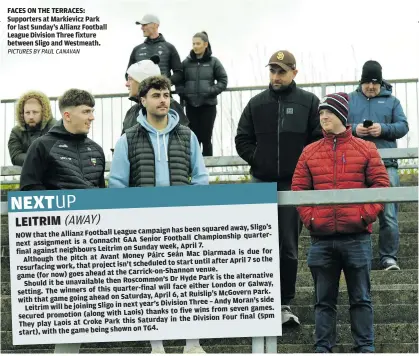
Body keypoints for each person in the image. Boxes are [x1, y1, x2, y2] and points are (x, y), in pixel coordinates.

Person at [109, 75, 208, 353]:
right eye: (156, 95)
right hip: (145, 225)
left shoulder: (188, 135)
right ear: (143, 100)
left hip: (183, 222)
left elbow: (200, 180)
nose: (163, 100)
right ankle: (157, 346)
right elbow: (117, 186)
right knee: (151, 288)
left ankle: (193, 344)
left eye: (166, 94)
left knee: (190, 283)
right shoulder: (127, 139)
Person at [291, 92, 390, 353]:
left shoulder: (366, 148)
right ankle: (323, 349)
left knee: (361, 299)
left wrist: (363, 215)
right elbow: (299, 189)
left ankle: (365, 349)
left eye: (329, 112)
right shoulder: (309, 152)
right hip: (321, 238)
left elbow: (381, 186)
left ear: (341, 116)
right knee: (323, 302)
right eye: (321, 112)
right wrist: (311, 218)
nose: (323, 116)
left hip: (357, 237)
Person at [235, 50, 322, 326]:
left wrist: (303, 170)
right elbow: (242, 139)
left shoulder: (309, 102)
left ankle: (283, 302)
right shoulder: (256, 103)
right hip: (261, 182)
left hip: (292, 184)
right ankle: (258, 301)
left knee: (287, 246)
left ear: (294, 73)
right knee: (256, 244)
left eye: (281, 71)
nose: (276, 76)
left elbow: (318, 139)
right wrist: (259, 159)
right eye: (272, 70)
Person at [347, 60, 409, 271]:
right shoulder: (349, 100)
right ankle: (357, 258)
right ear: (361, 82)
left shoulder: (393, 101)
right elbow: (336, 125)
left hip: (386, 165)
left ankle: (388, 258)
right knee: (355, 213)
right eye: (367, 83)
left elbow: (403, 126)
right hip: (356, 165)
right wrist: (355, 129)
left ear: (381, 82)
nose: (371, 87)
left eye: (375, 83)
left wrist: (382, 129)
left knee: (389, 214)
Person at [20, 88, 105, 192]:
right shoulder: (41, 146)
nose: (92, 117)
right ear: (67, 116)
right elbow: (29, 188)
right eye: (86, 112)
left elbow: (102, 195)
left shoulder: (97, 150)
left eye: (92, 112)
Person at [179, 31, 228, 156]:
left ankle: (207, 170)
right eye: (193, 43)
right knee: (193, 139)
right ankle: (194, 170)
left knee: (206, 138)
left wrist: (211, 91)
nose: (195, 46)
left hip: (208, 106)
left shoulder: (214, 62)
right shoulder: (186, 63)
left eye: (198, 43)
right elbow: (179, 80)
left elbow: (223, 80)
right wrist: (184, 93)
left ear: (205, 44)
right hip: (191, 106)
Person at [122, 56, 188, 135]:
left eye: (130, 79)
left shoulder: (169, 107)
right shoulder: (132, 111)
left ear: (141, 82)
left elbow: (184, 140)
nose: (127, 84)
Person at [8, 90, 56, 166]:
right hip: (29, 175)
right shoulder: (16, 132)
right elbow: (16, 157)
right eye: (27, 113)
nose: (31, 116)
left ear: (43, 112)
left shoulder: (54, 127)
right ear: (22, 113)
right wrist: (38, 158)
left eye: (35, 112)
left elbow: (58, 153)